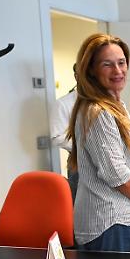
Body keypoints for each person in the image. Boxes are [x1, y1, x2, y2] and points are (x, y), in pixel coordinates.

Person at [68, 33, 130, 252]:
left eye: (121, 62)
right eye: (107, 64)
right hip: (109, 221)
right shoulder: (97, 111)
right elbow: (115, 173)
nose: (118, 71)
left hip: (125, 216)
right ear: (91, 69)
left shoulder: (117, 107)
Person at [49, 65, 79, 202]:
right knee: (79, 204)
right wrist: (85, 146)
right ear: (76, 76)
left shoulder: (102, 100)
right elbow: (57, 137)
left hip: (104, 161)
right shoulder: (63, 103)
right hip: (78, 161)